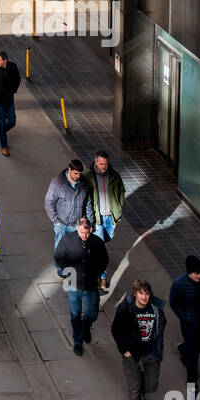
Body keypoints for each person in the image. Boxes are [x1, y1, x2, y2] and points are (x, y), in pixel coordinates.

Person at [111, 280, 167, 400]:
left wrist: (157, 347)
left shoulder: (155, 309)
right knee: (134, 387)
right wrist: (124, 350)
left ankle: (141, 389)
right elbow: (116, 329)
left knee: (152, 385)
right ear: (135, 294)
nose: (144, 297)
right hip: (131, 353)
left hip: (150, 352)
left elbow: (161, 325)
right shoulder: (126, 309)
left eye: (147, 293)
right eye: (141, 293)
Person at [55, 217, 109, 355]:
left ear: (90, 229)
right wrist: (67, 272)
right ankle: (77, 341)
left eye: (86, 233)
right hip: (73, 285)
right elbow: (59, 255)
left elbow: (104, 259)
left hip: (90, 285)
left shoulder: (96, 242)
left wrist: (96, 272)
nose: (84, 236)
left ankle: (86, 326)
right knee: (75, 315)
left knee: (92, 313)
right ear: (77, 229)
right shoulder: (67, 240)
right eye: (81, 233)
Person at [83, 150, 126, 290]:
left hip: (110, 217)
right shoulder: (88, 176)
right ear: (95, 162)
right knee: (99, 248)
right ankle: (101, 276)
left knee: (105, 242)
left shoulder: (115, 176)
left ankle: (96, 266)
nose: (103, 167)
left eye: (105, 164)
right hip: (97, 218)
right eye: (100, 164)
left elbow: (121, 192)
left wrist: (119, 208)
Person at [45, 160, 95, 275]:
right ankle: (61, 269)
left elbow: (88, 204)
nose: (78, 176)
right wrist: (55, 221)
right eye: (75, 173)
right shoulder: (57, 183)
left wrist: (90, 222)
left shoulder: (83, 185)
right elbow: (49, 202)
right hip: (62, 223)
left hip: (76, 224)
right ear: (69, 170)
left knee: (75, 249)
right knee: (60, 248)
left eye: (80, 174)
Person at [169, 254, 200, 387]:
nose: (199, 276)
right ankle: (192, 387)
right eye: (196, 273)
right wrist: (184, 317)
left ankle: (183, 349)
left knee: (196, 350)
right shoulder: (179, 284)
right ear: (189, 272)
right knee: (193, 361)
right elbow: (174, 302)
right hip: (190, 327)